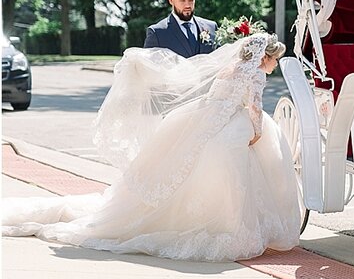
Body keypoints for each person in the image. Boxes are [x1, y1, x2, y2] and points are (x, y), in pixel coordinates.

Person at [2, 33, 301, 262]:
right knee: (244, 163)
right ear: (264, 58)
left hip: (201, 118)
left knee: (182, 168)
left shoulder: (229, 69)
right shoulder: (255, 74)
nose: (274, 65)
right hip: (228, 124)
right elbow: (255, 108)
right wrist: (258, 133)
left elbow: (216, 98)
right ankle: (231, 225)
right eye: (274, 59)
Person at [144, 0, 217, 57]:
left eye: (191, 0)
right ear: (171, 0)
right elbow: (148, 67)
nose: (187, 5)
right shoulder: (157, 33)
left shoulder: (211, 27)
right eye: (182, 0)